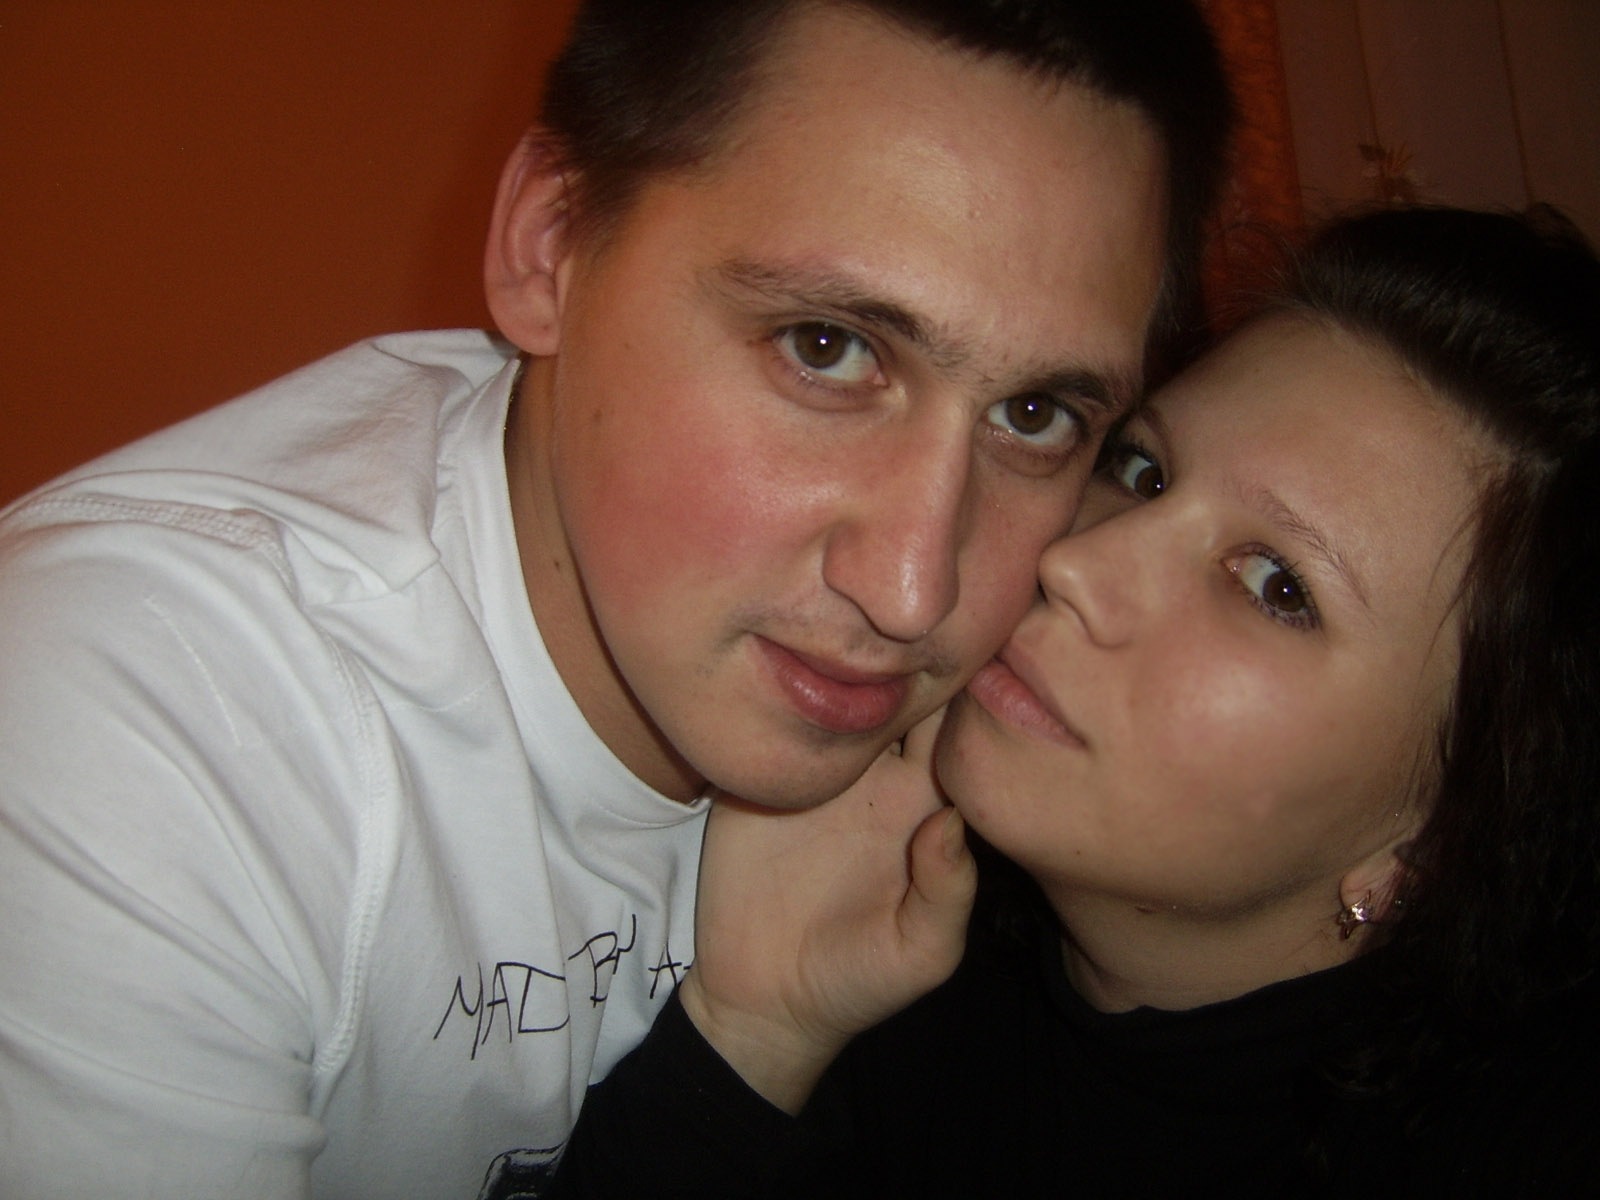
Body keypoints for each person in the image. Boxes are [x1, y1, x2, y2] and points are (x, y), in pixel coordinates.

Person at [0, 2, 1232, 1197]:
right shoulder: (146, 709)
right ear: (552, 245)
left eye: (1035, 416)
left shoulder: (991, 778)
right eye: (825, 347)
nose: (915, 592)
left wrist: (752, 1042)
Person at [551, 204, 1600, 1196]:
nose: (1076, 563)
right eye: (1143, 472)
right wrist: (757, 1037)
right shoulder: (882, 910)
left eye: (1276, 586)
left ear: (1435, 848)